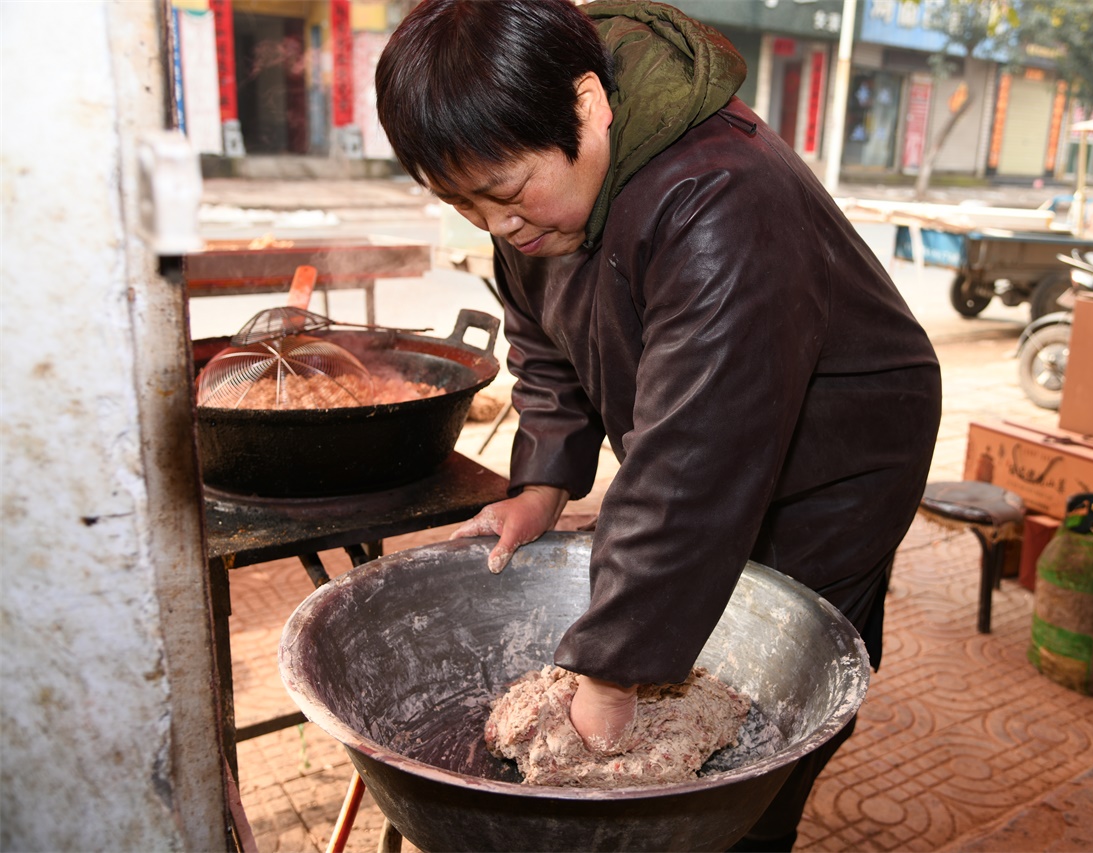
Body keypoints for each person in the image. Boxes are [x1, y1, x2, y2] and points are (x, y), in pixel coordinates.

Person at [376, 1, 941, 847]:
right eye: (463, 203)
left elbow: (696, 462)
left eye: (503, 193)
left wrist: (609, 674)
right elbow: (546, 342)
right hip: (705, 432)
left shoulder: (721, 199)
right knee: (677, 584)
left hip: (830, 465)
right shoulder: (539, 194)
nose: (497, 225)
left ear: (587, 106)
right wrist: (542, 484)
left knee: (771, 697)